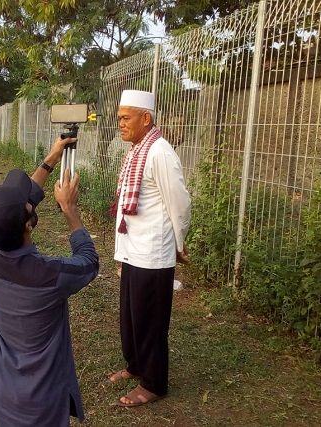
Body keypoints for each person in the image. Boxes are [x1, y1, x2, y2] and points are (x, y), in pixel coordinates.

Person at [0, 138, 99, 427]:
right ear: (29, 225)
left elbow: (23, 200)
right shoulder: (51, 276)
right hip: (40, 409)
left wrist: (51, 158)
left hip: (1, 397)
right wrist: (70, 211)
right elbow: (89, 261)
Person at [108, 89, 191, 407]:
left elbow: (180, 204)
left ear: (146, 118)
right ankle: (135, 365)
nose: (120, 124)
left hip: (153, 253)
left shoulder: (160, 152)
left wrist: (177, 245)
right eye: (119, 118)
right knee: (130, 316)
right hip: (133, 250)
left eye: (125, 118)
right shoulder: (137, 149)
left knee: (150, 320)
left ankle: (154, 382)